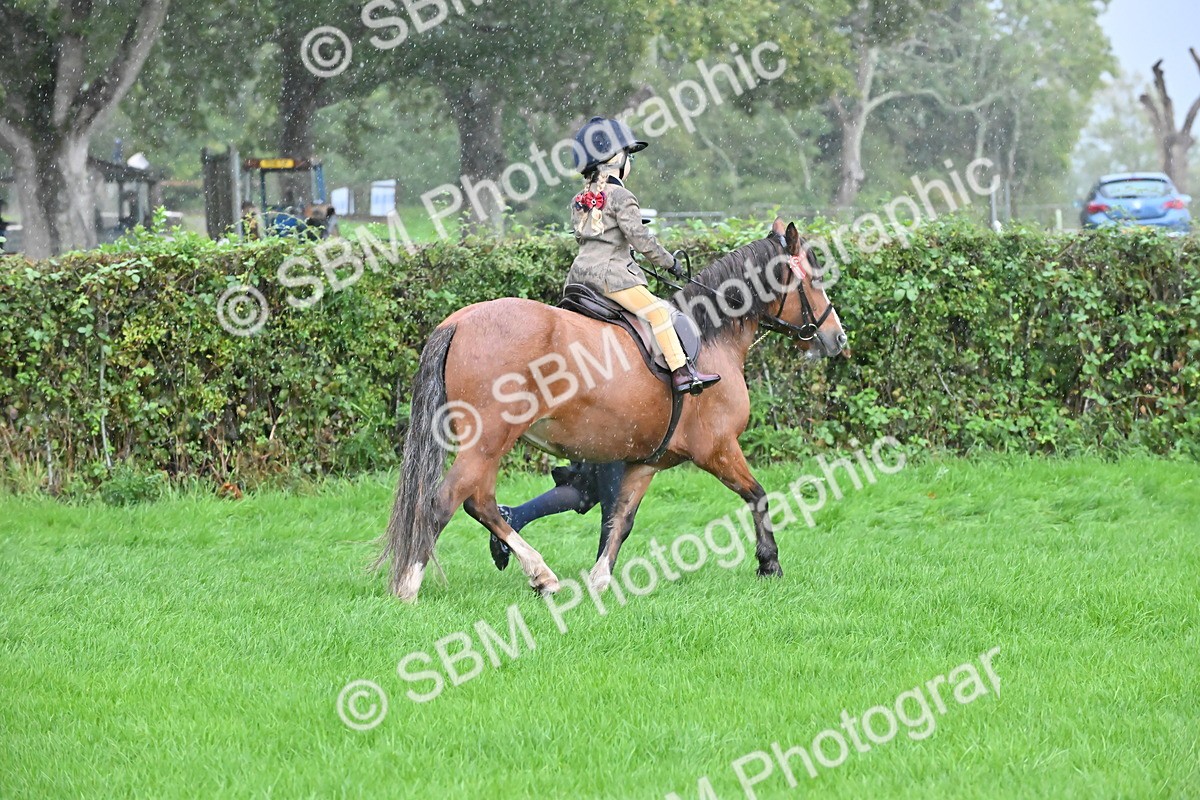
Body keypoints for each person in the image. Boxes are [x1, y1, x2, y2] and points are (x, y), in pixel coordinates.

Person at [566, 116, 720, 395]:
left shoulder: (579, 199)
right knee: (660, 313)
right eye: (629, 157)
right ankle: (683, 373)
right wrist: (669, 262)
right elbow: (641, 240)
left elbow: (584, 237)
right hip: (611, 279)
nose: (630, 164)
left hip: (578, 278)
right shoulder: (623, 197)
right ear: (614, 160)